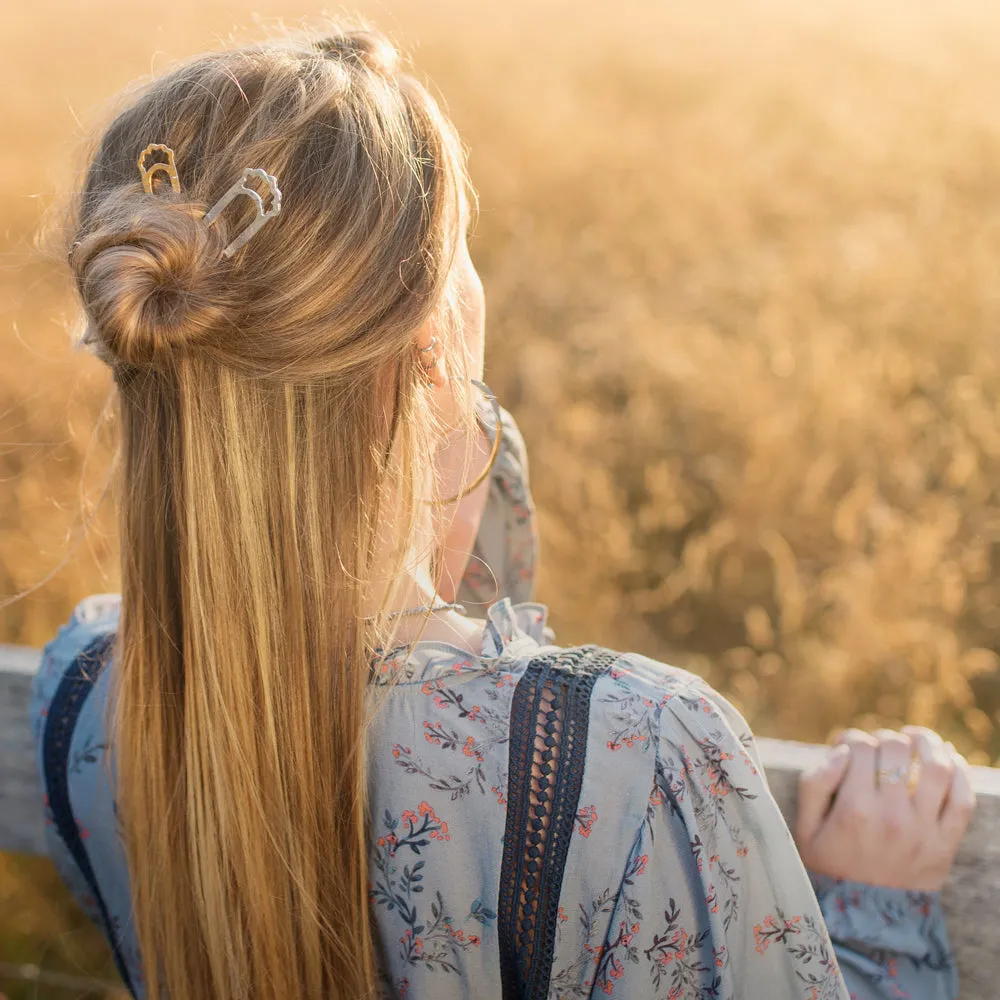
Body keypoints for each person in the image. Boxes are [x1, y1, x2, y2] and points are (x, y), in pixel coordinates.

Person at [26, 19, 974, 1000]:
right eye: (463, 250)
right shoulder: (637, 751)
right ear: (435, 334)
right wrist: (876, 924)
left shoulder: (81, 696)